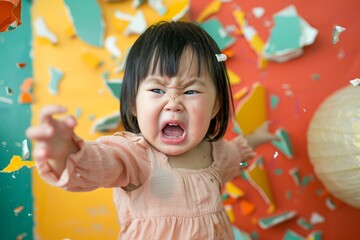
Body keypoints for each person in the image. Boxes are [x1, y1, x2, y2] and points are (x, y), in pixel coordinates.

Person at [26, 21, 277, 239]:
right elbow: (95, 163)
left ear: (215, 106)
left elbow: (236, 154)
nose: (173, 104)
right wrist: (65, 152)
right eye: (157, 90)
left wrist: (256, 138)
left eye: (190, 91)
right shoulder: (134, 157)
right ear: (134, 104)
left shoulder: (215, 153)